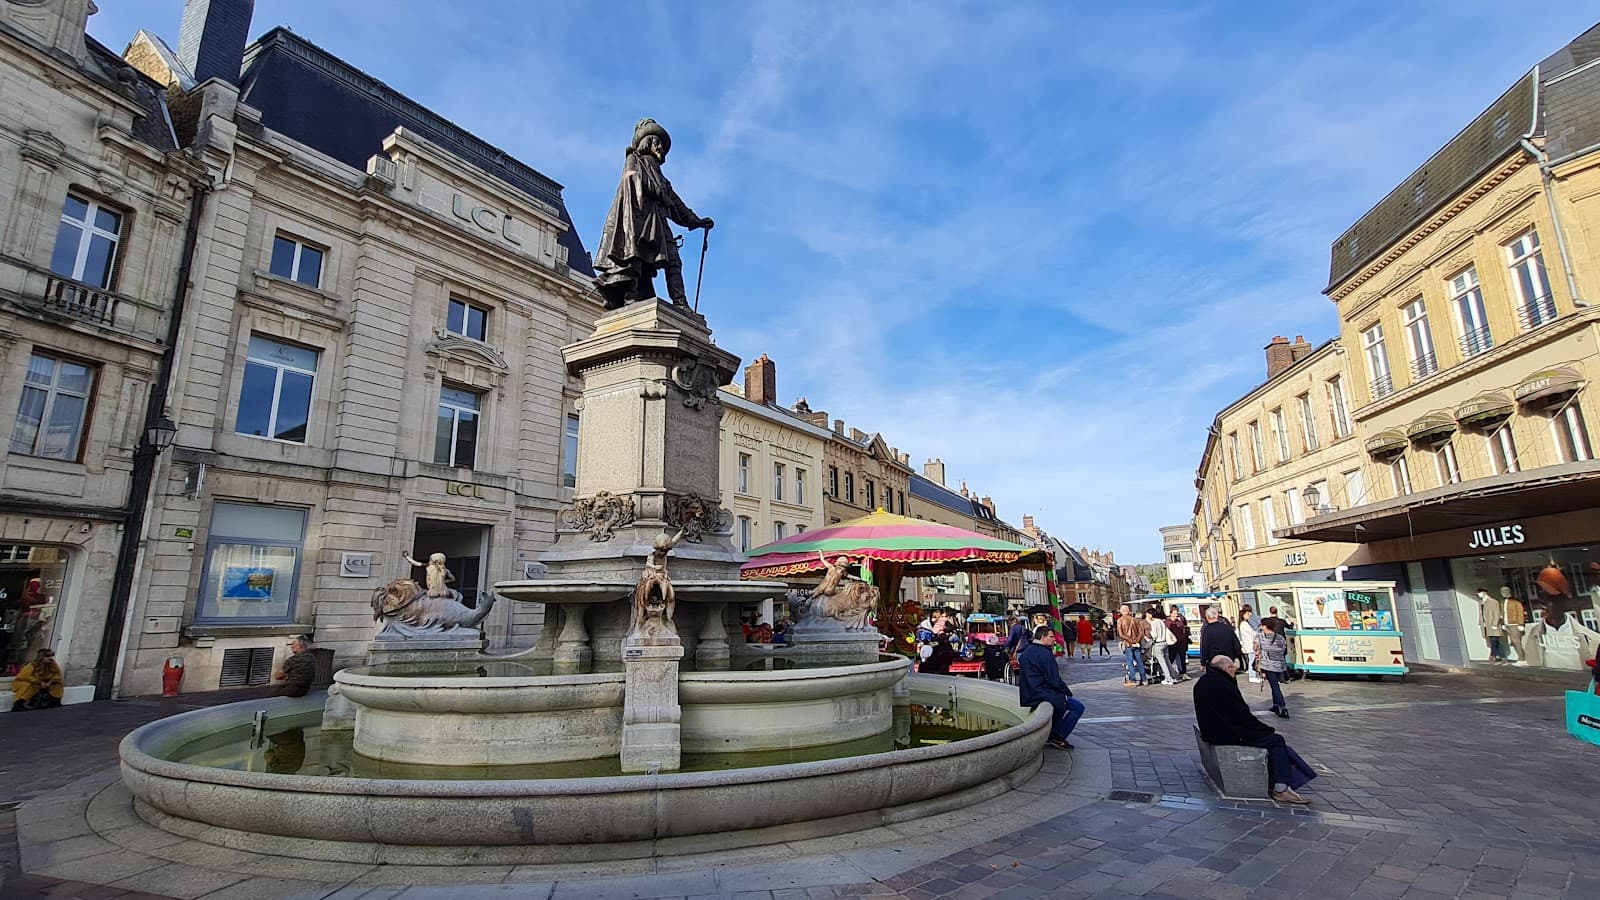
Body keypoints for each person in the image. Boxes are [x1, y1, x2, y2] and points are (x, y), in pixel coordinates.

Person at [593, 118, 714, 309]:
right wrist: (660, 194)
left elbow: (677, 205)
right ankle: (631, 295)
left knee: (674, 260)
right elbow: (635, 184)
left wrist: (696, 221)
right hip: (637, 220)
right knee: (634, 257)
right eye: (657, 143)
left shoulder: (662, 177)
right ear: (647, 143)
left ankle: (680, 303)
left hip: (658, 221)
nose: (661, 148)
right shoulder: (634, 160)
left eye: (662, 146)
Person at [1194, 654, 1315, 804]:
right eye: (1233, 668)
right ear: (1228, 668)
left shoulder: (1202, 682)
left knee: (1270, 739)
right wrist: (1265, 730)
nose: (1234, 672)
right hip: (1227, 734)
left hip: (1211, 732)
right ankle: (1281, 789)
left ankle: (1276, 781)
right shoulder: (1224, 684)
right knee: (1276, 741)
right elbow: (1242, 715)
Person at [1018, 624, 1084, 750]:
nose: (1054, 639)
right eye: (1051, 637)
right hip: (1041, 692)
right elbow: (1054, 679)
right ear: (1043, 638)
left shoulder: (1028, 650)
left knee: (1060, 705)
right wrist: (1066, 692)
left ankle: (1052, 735)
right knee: (1077, 707)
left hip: (1029, 692)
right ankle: (1058, 737)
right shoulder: (1045, 654)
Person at [1257, 617, 1291, 718]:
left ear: (1265, 626)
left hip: (1268, 665)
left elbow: (1256, 649)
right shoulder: (1280, 637)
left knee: (1275, 686)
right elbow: (1284, 649)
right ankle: (1275, 705)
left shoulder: (1261, 637)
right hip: (1279, 664)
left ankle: (1283, 707)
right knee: (1274, 684)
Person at [1198, 606, 1242, 672]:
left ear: (1207, 617)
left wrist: (1203, 663)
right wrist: (1237, 656)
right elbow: (1236, 643)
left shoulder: (1207, 630)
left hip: (1214, 661)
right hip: (1229, 659)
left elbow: (1204, 647)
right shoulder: (1227, 627)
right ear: (1217, 616)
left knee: (1216, 677)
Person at [1115, 604, 1149, 686]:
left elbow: (1121, 634)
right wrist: (1136, 640)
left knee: (1130, 662)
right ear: (1128, 611)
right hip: (1136, 644)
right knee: (1139, 661)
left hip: (1128, 644)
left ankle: (1132, 679)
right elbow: (1141, 632)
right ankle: (1144, 679)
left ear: (1121, 611)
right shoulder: (1135, 620)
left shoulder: (1120, 620)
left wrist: (1130, 641)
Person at [1145, 609, 1178, 685]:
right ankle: (1173, 677)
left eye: (1148, 614)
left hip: (1158, 644)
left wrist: (1150, 633)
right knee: (1167, 661)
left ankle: (1168, 678)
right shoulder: (1161, 621)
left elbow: (1154, 635)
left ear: (1151, 614)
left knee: (1162, 663)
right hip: (1165, 642)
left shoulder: (1153, 623)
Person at [1166, 605, 1191, 680]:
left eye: (1176, 613)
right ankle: (1169, 673)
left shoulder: (1180, 622)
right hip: (1172, 644)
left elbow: (1183, 632)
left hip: (1181, 643)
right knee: (1171, 658)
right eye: (1174, 613)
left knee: (1182, 658)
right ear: (1170, 613)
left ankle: (1183, 673)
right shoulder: (1167, 622)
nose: (1176, 615)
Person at [1238, 606, 1261, 683]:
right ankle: (1252, 676)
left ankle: (1254, 675)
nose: (1249, 616)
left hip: (1249, 644)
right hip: (1250, 645)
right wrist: (1258, 631)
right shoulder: (1244, 624)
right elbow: (1252, 633)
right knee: (1252, 661)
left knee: (1252, 660)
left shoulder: (1244, 623)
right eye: (1247, 614)